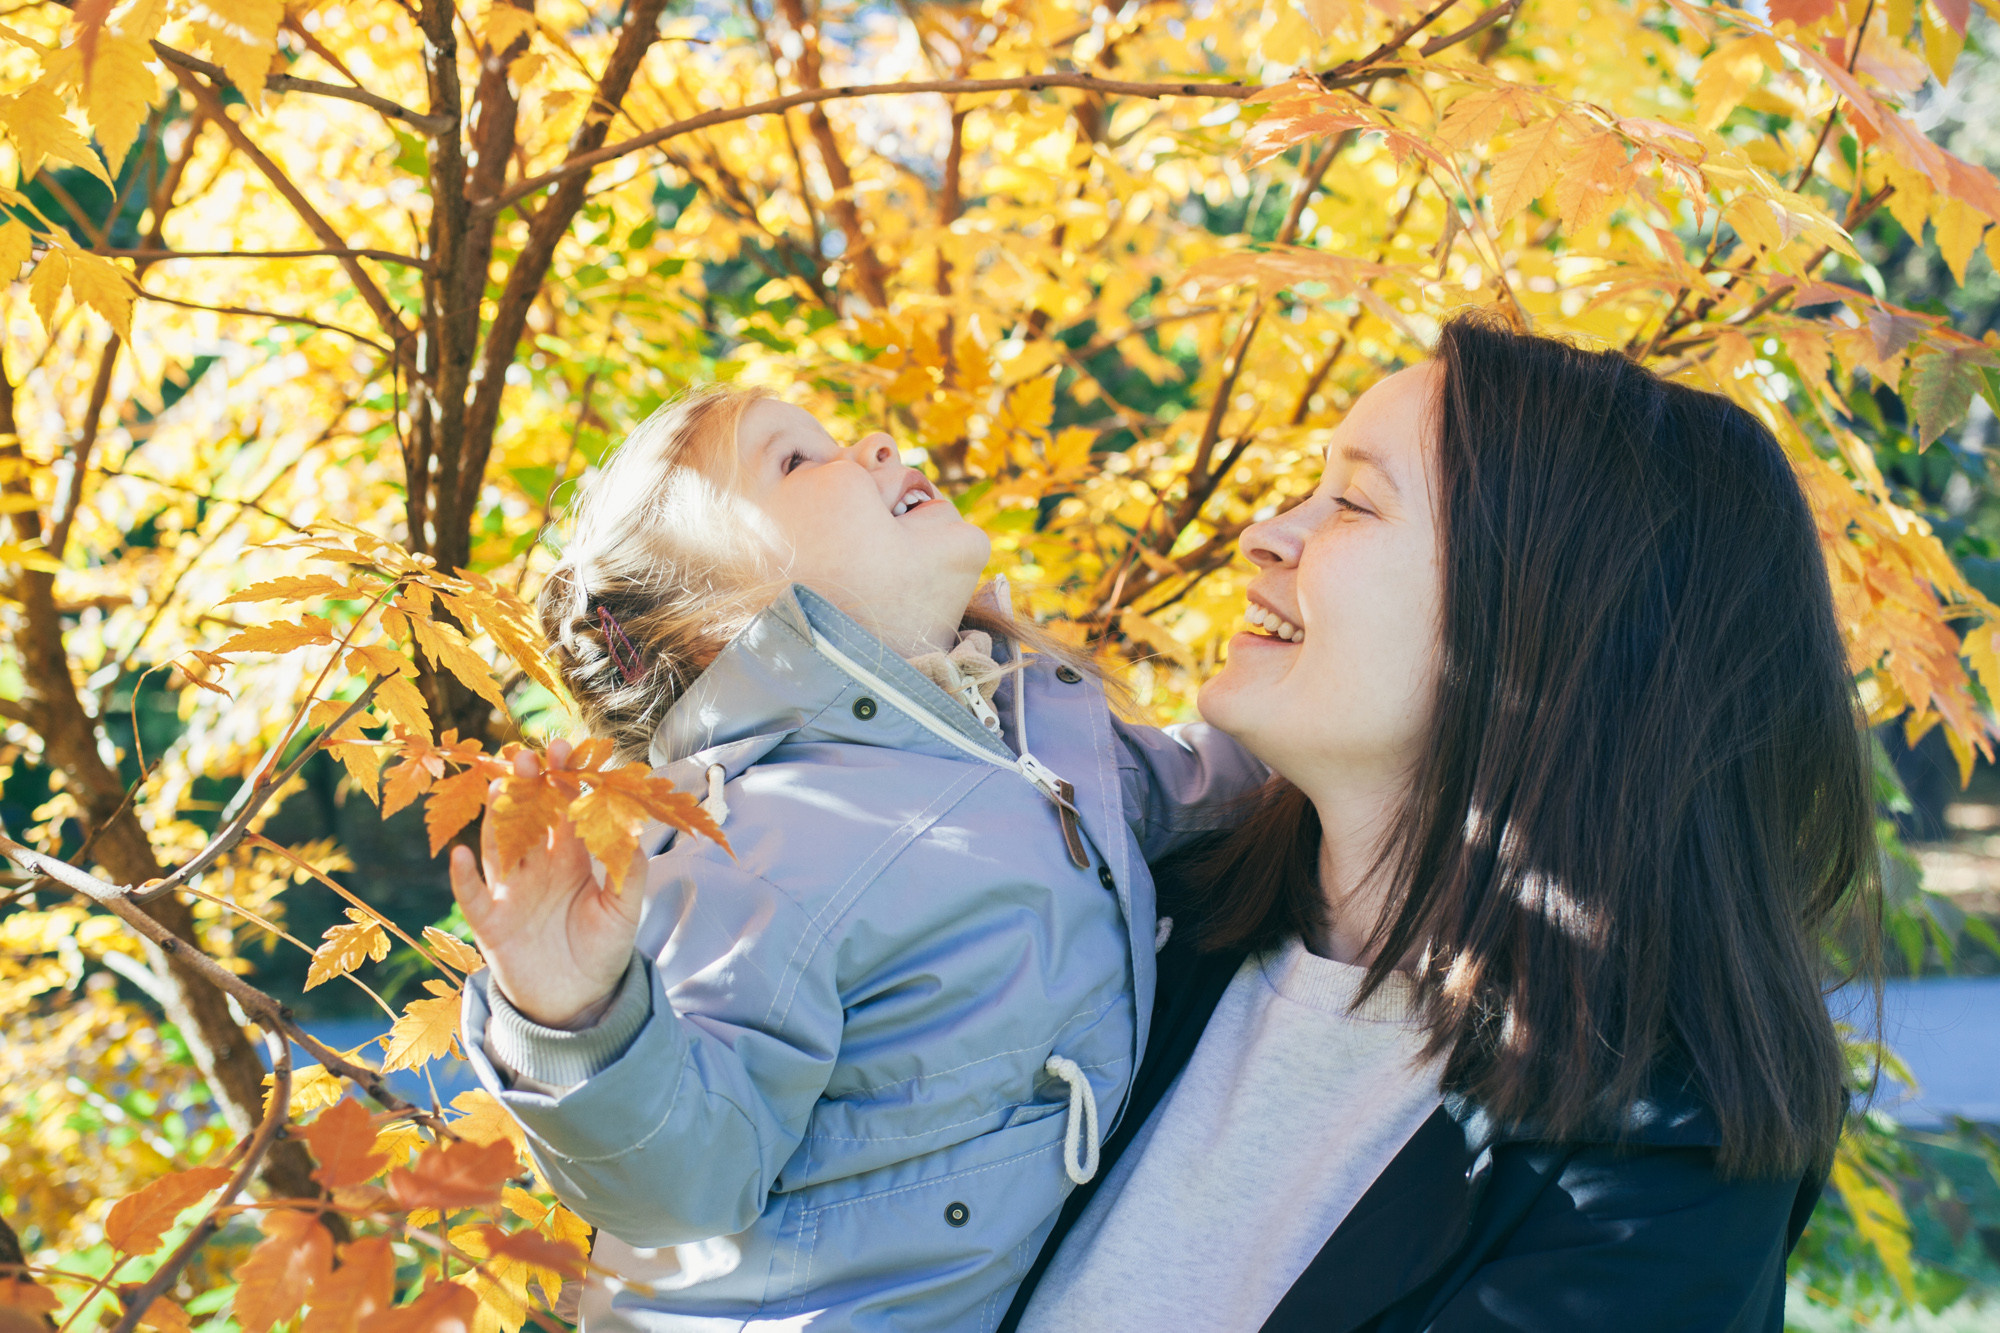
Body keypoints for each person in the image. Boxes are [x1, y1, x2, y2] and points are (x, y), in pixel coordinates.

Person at [1005, 312, 1879, 1332]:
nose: (1265, 534)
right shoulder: (1132, 915)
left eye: (1352, 506)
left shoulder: (1652, 1175)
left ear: (1543, 633)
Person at [447, 386, 1264, 1331]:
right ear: (711, 620)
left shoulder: (1040, 729)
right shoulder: (755, 841)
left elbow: (1220, 792)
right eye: (794, 460)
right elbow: (686, 1183)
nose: (878, 441)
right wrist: (576, 1016)